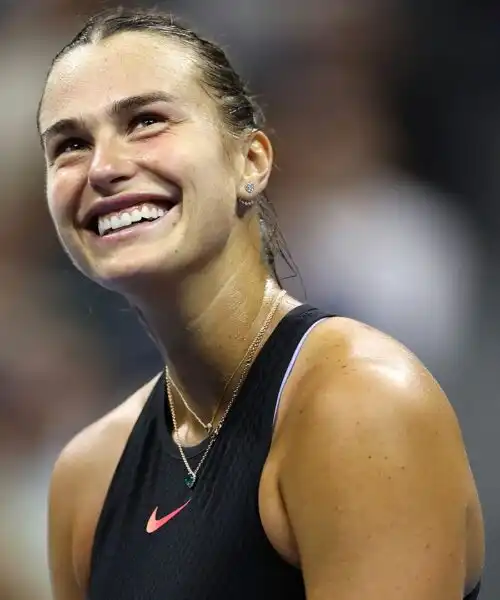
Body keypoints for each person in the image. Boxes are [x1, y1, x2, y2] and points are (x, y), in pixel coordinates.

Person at [39, 7, 484, 600]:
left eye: (146, 121)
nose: (104, 167)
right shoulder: (86, 477)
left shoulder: (361, 406)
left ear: (250, 161)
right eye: (70, 144)